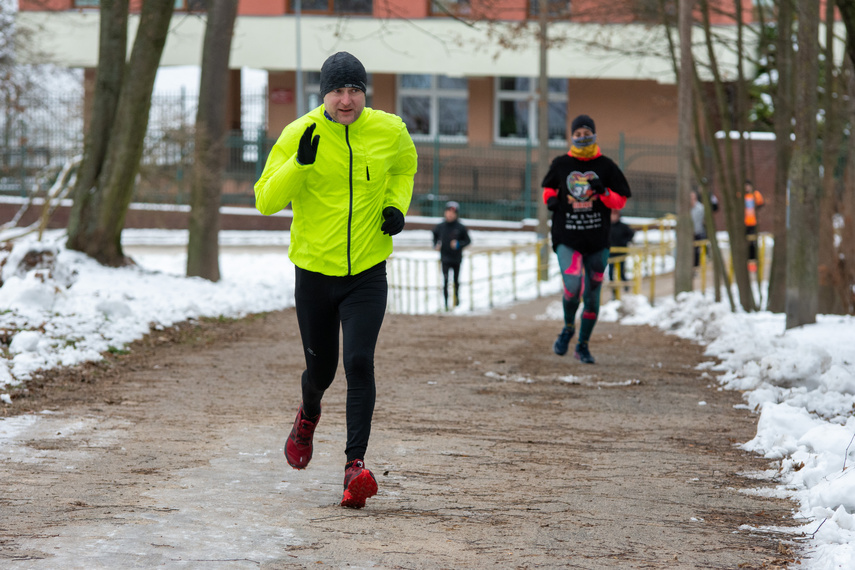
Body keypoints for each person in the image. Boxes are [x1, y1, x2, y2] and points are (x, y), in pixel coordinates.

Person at [254, 52, 418, 509]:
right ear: (322, 94)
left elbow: (404, 167)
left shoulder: (390, 130)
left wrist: (395, 206)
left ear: (365, 92)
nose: (347, 101)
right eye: (337, 91)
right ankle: (308, 415)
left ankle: (354, 467)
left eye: (355, 91)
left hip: (366, 272)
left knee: (360, 361)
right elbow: (265, 200)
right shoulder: (299, 133)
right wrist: (299, 166)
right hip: (314, 275)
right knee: (322, 371)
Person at [541, 114, 631, 364]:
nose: (583, 137)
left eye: (586, 133)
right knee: (572, 287)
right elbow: (548, 187)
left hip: (596, 241)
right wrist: (550, 200)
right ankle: (568, 327)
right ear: (572, 137)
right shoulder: (561, 164)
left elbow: (620, 199)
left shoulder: (606, 165)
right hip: (567, 237)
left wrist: (603, 192)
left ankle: (583, 345)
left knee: (592, 295)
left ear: (594, 134)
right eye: (578, 134)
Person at [432, 201, 471, 310]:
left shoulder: (460, 227)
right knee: (445, 281)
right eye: (448, 212)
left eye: (452, 213)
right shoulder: (440, 226)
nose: (450, 214)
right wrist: (436, 244)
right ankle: (445, 303)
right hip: (444, 258)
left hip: (456, 258)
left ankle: (457, 300)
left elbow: (468, 240)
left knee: (456, 280)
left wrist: (459, 244)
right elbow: (434, 236)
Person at [690, 189, 719, 268]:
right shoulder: (686, 209)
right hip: (689, 233)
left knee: (697, 250)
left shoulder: (700, 208)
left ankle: (697, 266)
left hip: (698, 232)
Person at [608, 209, 635, 291]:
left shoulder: (623, 226)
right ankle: (614, 291)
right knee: (611, 273)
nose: (613, 217)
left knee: (621, 272)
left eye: (615, 215)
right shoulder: (607, 226)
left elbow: (631, 234)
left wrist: (624, 241)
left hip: (621, 252)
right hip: (611, 253)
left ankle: (626, 288)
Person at [743, 180, 764, 272]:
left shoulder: (756, 195)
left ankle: (754, 264)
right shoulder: (741, 196)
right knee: (745, 243)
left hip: (753, 222)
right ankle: (746, 263)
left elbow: (761, 205)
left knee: (753, 244)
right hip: (744, 223)